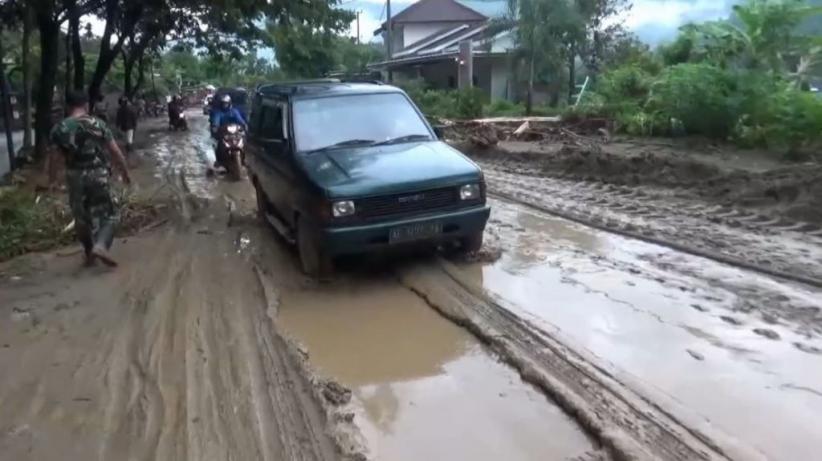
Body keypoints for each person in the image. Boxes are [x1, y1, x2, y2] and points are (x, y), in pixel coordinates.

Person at [49, 90, 131, 268]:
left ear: (68, 106)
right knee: (111, 214)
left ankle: (89, 252)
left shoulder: (59, 128)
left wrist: (52, 181)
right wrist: (125, 173)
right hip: (98, 174)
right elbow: (115, 152)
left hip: (74, 177)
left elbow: (54, 159)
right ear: (86, 104)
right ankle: (101, 246)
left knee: (81, 217)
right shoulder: (98, 124)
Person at [210, 94, 247, 167]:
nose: (225, 105)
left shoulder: (234, 111)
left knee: (243, 142)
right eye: (223, 103)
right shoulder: (218, 112)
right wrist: (215, 126)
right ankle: (219, 161)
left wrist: (244, 124)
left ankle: (243, 160)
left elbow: (239, 119)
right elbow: (216, 120)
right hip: (223, 132)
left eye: (226, 103)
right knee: (219, 144)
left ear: (229, 103)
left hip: (234, 132)